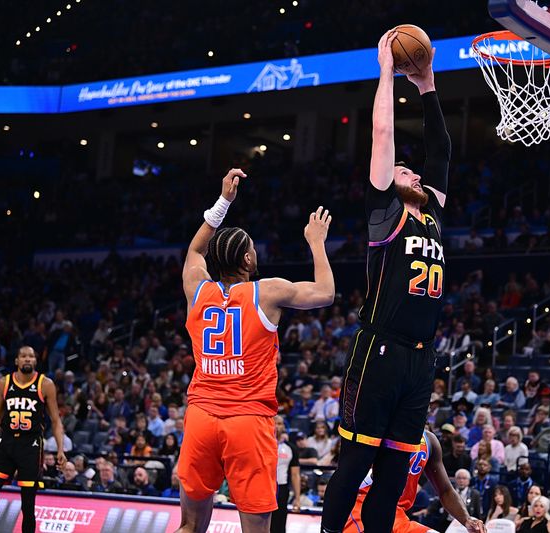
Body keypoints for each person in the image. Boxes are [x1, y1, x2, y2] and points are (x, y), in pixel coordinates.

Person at [323, 29, 452, 533]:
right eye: (404, 170)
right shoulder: (385, 212)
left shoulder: (434, 216)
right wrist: (386, 72)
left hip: (421, 359)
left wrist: (428, 83)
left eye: (414, 172)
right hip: (378, 349)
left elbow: (439, 147)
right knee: (355, 465)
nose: (413, 172)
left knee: (394, 476)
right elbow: (383, 136)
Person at [177, 169, 335, 533]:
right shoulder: (268, 291)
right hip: (248, 422)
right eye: (252, 248)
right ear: (247, 260)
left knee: (189, 526)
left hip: (201, 417)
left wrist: (224, 202)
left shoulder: (196, 288)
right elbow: (325, 293)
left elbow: (195, 249)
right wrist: (316, 242)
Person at [344, 431, 485, 533]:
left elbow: (446, 490)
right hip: (363, 505)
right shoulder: (379, 429)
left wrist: (466, 520)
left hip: (398, 514)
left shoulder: (430, 440)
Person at [0, 346, 66, 533]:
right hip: (6, 443)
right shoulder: (4, 382)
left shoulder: (46, 384)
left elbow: (55, 420)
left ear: (35, 361)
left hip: (30, 446)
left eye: (31, 357)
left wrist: (60, 449)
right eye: (23, 356)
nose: (27, 359)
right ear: (17, 361)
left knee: (28, 505)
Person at [272, 416, 301, 533]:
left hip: (282, 489)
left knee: (279, 524)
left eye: (280, 424)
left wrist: (297, 499)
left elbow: (295, 474)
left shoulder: (291, 448)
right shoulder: (262, 444)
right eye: (276, 423)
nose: (278, 426)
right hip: (263, 488)